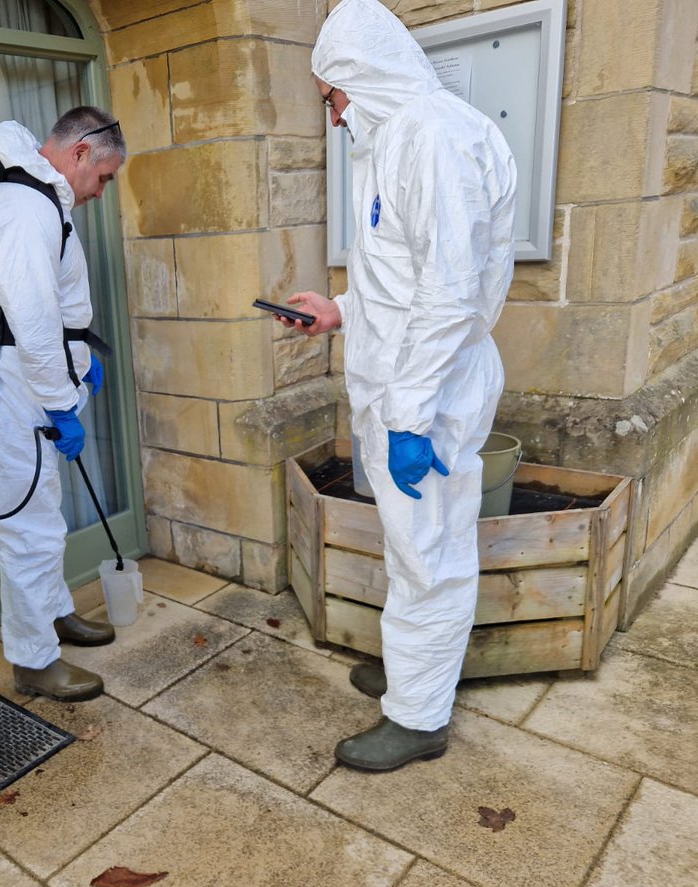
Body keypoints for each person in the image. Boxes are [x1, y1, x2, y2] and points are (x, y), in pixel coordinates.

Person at [282, 0, 517, 772]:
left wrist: (411, 416)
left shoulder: (433, 136)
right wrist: (338, 311)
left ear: (360, 76)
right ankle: (413, 670)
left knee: (431, 549)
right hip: (403, 387)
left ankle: (419, 718)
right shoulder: (398, 142)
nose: (334, 115)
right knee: (411, 543)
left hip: (430, 394)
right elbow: (403, 280)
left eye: (333, 97)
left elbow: (451, 294)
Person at [0, 107, 125, 702]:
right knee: (26, 526)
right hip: (13, 384)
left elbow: (52, 311)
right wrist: (62, 403)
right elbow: (30, 320)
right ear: (80, 153)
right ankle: (32, 661)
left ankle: (52, 614)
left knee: (44, 512)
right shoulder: (24, 206)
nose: (101, 192)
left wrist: (81, 358)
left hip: (28, 379)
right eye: (103, 177)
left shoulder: (39, 196)